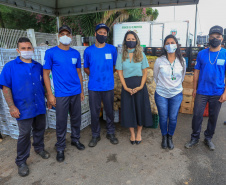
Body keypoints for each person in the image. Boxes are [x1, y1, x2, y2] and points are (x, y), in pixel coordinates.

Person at [0, 37, 50, 177]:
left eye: (29, 48)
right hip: (23, 108)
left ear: (32, 49)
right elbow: (5, 88)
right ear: (18, 50)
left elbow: (44, 84)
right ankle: (21, 161)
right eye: (23, 48)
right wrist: (12, 107)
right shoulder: (10, 67)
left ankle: (39, 148)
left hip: (39, 104)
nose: (26, 51)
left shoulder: (38, 66)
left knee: (40, 129)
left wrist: (48, 98)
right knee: (25, 134)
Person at [43, 25, 85, 162]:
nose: (65, 36)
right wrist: (50, 94)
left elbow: (79, 73)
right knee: (61, 122)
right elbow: (45, 73)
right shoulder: (51, 53)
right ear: (58, 36)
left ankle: (75, 139)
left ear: (71, 37)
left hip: (75, 92)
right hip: (61, 94)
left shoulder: (75, 53)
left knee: (76, 118)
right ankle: (60, 147)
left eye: (68, 33)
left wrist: (81, 91)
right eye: (62, 33)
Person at [185, 25, 226, 151]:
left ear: (222, 38)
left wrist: (225, 93)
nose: (215, 39)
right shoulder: (202, 54)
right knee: (197, 115)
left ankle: (208, 138)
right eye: (212, 37)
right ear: (209, 38)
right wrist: (194, 88)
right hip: (202, 91)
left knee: (213, 117)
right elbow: (196, 71)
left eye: (218, 37)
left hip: (217, 92)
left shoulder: (225, 54)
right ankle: (195, 138)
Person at [84, 23, 118, 147]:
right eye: (100, 32)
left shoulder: (112, 49)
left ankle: (110, 132)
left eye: (105, 33)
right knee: (94, 112)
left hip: (108, 85)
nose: (102, 35)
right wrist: (94, 75)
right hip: (94, 86)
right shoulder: (88, 50)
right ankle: (95, 135)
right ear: (95, 34)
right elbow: (86, 68)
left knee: (109, 110)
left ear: (107, 35)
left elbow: (115, 66)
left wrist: (107, 74)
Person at [115, 31, 153, 145]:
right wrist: (125, 87)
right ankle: (132, 134)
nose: (130, 41)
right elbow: (120, 73)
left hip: (140, 86)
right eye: (128, 39)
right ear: (125, 41)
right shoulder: (121, 56)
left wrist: (141, 86)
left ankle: (139, 133)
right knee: (129, 110)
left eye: (133, 39)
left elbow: (145, 72)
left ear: (136, 41)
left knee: (140, 109)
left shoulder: (141, 55)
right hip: (127, 86)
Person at [154, 35, 186, 150]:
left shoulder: (181, 61)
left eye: (172, 42)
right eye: (167, 43)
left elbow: (182, 78)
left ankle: (170, 137)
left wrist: (173, 86)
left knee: (173, 117)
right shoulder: (159, 60)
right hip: (161, 94)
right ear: (164, 46)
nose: (170, 45)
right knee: (163, 117)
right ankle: (164, 136)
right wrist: (165, 85)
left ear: (176, 45)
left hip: (176, 94)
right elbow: (155, 77)